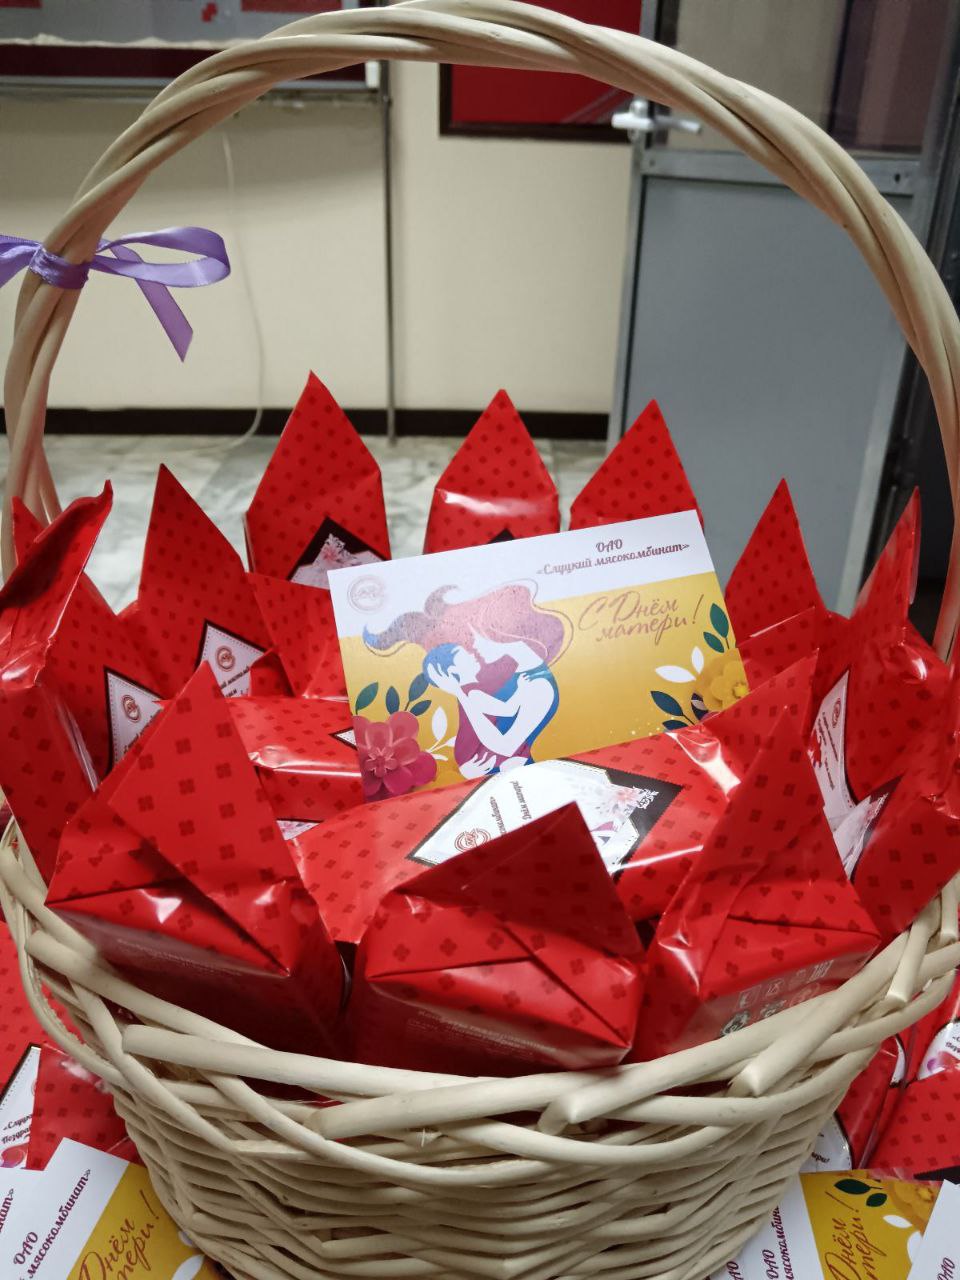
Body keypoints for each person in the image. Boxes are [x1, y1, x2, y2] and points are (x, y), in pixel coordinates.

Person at [364, 583, 566, 779]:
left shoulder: (539, 687)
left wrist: (460, 694)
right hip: (487, 776)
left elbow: (505, 746)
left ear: (501, 633)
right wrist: (465, 769)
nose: (473, 646)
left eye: (476, 636)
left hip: (516, 777)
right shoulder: (512, 674)